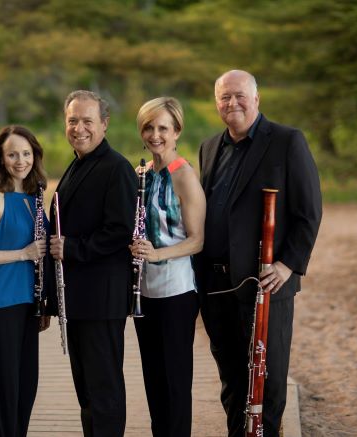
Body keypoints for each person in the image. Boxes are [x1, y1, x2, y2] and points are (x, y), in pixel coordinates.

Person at [195, 69, 322, 437]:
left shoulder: (286, 141)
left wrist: (287, 265)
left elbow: (309, 211)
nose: (232, 103)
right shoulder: (209, 147)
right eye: (224, 97)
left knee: (266, 381)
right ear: (216, 102)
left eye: (239, 95)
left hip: (266, 282)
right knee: (233, 382)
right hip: (218, 286)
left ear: (256, 98)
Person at [48, 90, 137, 437]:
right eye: (73, 120)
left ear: (104, 123)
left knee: (103, 390)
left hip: (101, 299)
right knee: (87, 389)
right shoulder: (78, 163)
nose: (79, 128)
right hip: (80, 299)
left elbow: (120, 231)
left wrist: (72, 248)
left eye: (87, 121)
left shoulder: (117, 168)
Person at [0, 125, 51, 437]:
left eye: (26, 153)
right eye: (12, 154)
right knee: (5, 392)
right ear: (1, 159)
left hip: (28, 304)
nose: (21, 160)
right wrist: (22, 254)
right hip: (0, 303)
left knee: (26, 388)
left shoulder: (35, 199)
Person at [129, 97, 206, 436]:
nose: (155, 135)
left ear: (177, 132)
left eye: (163, 128)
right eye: (149, 127)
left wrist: (156, 255)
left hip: (176, 291)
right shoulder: (142, 174)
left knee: (175, 384)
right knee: (154, 382)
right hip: (144, 292)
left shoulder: (184, 175)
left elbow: (197, 240)